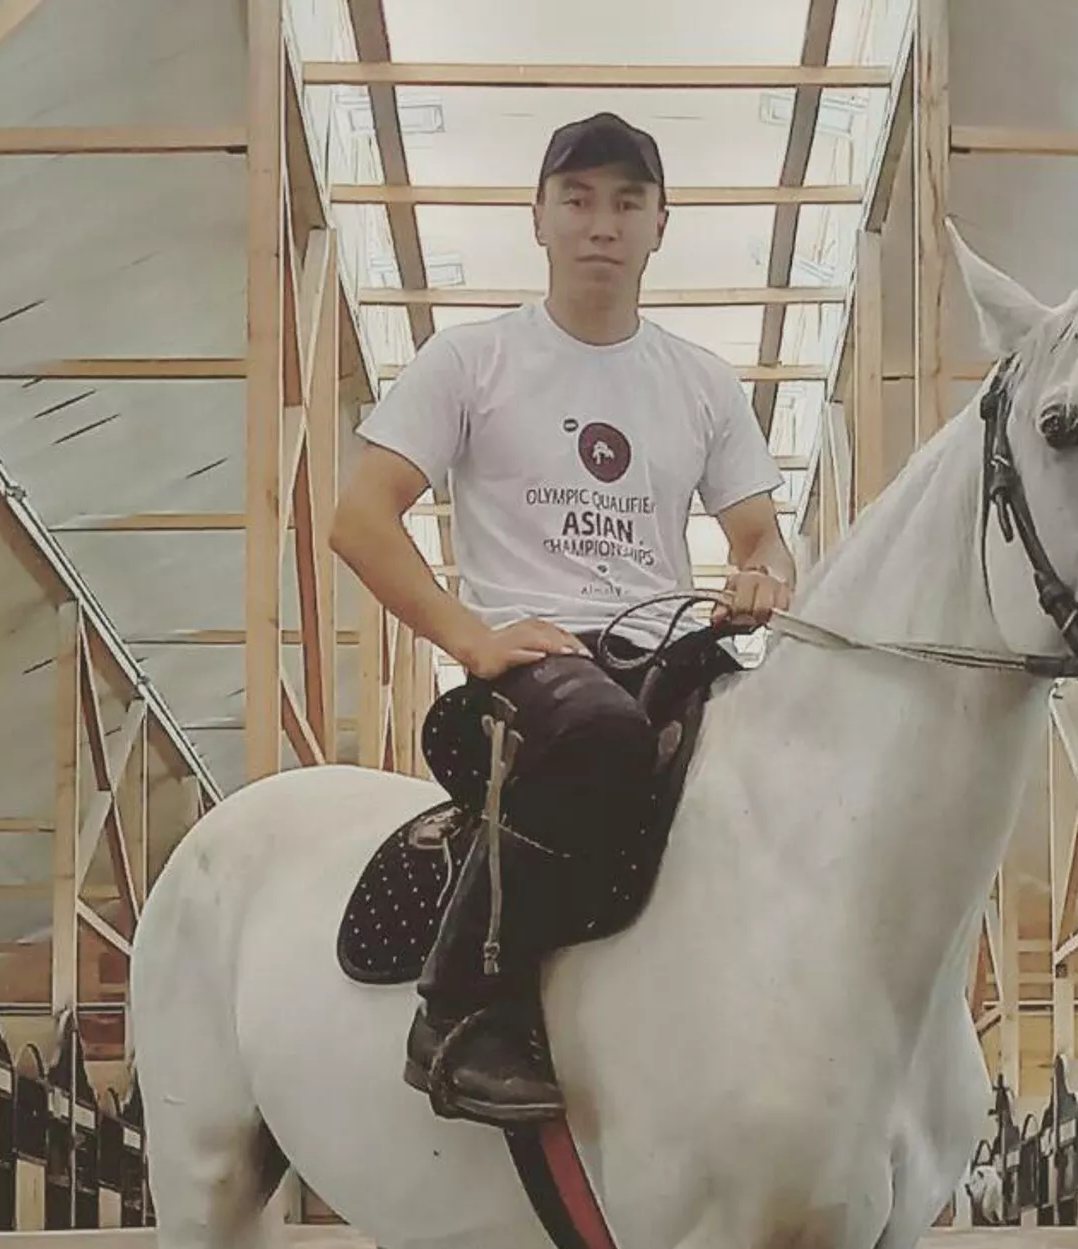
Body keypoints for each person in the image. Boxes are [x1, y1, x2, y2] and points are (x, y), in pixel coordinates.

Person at [330, 109, 797, 1126]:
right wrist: (470, 637)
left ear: (661, 224)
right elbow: (358, 519)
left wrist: (761, 579)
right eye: (577, 200)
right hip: (535, 667)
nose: (602, 224)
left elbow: (764, 539)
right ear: (536, 217)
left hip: (668, 650)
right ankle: (459, 1010)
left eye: (627, 202)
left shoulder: (702, 382)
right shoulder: (471, 361)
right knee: (598, 732)